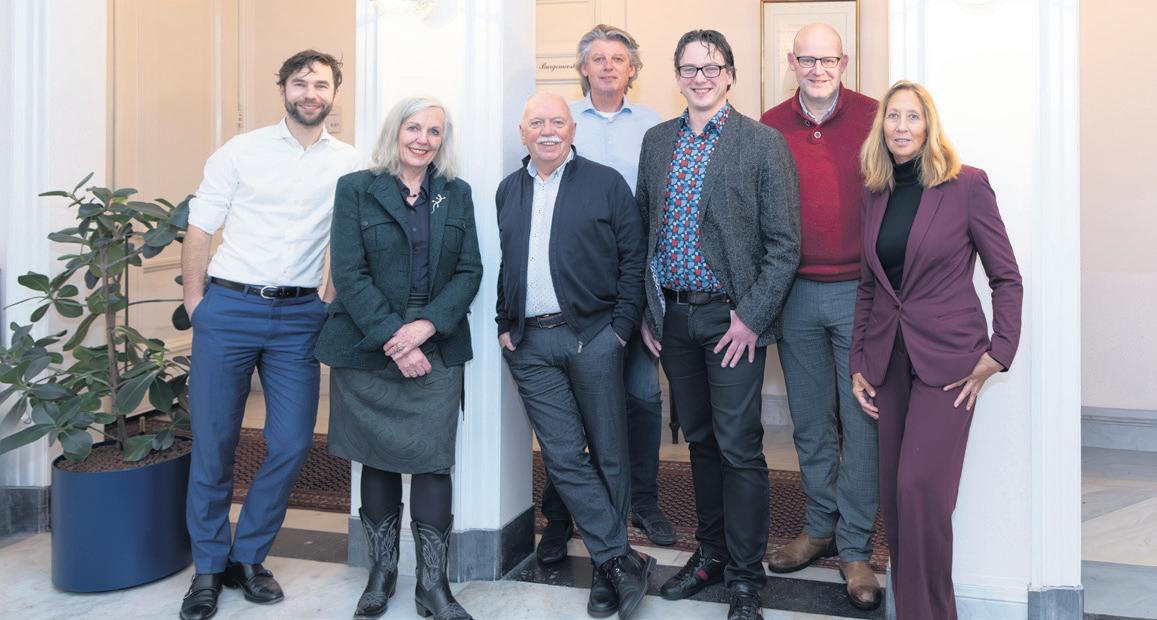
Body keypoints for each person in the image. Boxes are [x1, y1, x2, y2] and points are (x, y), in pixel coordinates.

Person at [180, 50, 360, 620]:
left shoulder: (350, 163)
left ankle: (249, 556)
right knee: (214, 444)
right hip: (229, 308)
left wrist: (328, 300)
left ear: (335, 94)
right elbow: (200, 227)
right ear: (283, 88)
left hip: (299, 316)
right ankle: (209, 567)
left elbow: (349, 239)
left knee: (290, 442)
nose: (311, 93)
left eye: (321, 84)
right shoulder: (241, 150)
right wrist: (196, 304)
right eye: (300, 82)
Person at [637, 30, 800, 620]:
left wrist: (751, 319)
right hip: (674, 316)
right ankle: (710, 555)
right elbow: (643, 231)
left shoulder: (762, 143)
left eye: (711, 67)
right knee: (700, 442)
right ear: (677, 76)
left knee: (739, 448)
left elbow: (785, 246)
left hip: (733, 320)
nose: (700, 77)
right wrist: (650, 310)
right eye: (689, 68)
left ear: (730, 74)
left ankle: (746, 580)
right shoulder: (658, 142)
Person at [851, 80, 1022, 619]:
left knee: (920, 492)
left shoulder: (967, 185)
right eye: (892, 116)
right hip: (888, 363)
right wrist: (859, 362)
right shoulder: (874, 191)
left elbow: (1006, 276)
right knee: (897, 503)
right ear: (881, 126)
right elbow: (869, 286)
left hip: (949, 363)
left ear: (929, 126)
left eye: (912, 116)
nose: (901, 126)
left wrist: (1000, 350)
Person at [315, 96, 482, 620]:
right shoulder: (355, 189)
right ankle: (381, 574)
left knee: (433, 461)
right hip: (368, 341)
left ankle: (432, 586)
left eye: (434, 131)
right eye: (414, 127)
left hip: (436, 340)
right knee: (377, 458)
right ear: (396, 131)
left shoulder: (456, 193)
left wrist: (426, 327)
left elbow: (470, 271)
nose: (423, 139)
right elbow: (349, 271)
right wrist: (395, 338)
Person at [496, 92, 653, 620]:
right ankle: (618, 560)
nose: (548, 130)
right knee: (564, 456)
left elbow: (634, 258)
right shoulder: (508, 190)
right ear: (523, 133)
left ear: (572, 129)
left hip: (593, 338)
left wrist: (619, 330)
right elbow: (506, 262)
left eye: (557, 121)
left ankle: (609, 566)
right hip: (531, 346)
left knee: (609, 453)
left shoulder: (605, 183)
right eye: (536, 122)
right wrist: (504, 325)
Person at [527, 24, 672, 564]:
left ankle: (644, 503)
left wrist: (645, 303)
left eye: (618, 58)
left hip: (635, 282)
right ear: (583, 68)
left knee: (643, 397)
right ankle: (560, 515)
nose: (608, 66)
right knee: (571, 413)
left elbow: (659, 205)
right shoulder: (560, 120)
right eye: (598, 58)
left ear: (632, 69)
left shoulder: (654, 124)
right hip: (574, 287)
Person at [758, 23, 881, 610]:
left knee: (861, 424)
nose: (817, 69)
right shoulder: (770, 125)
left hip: (861, 293)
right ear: (792, 62)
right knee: (809, 422)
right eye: (806, 60)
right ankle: (819, 527)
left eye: (827, 59)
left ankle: (855, 548)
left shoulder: (875, 117)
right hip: (797, 293)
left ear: (844, 61)